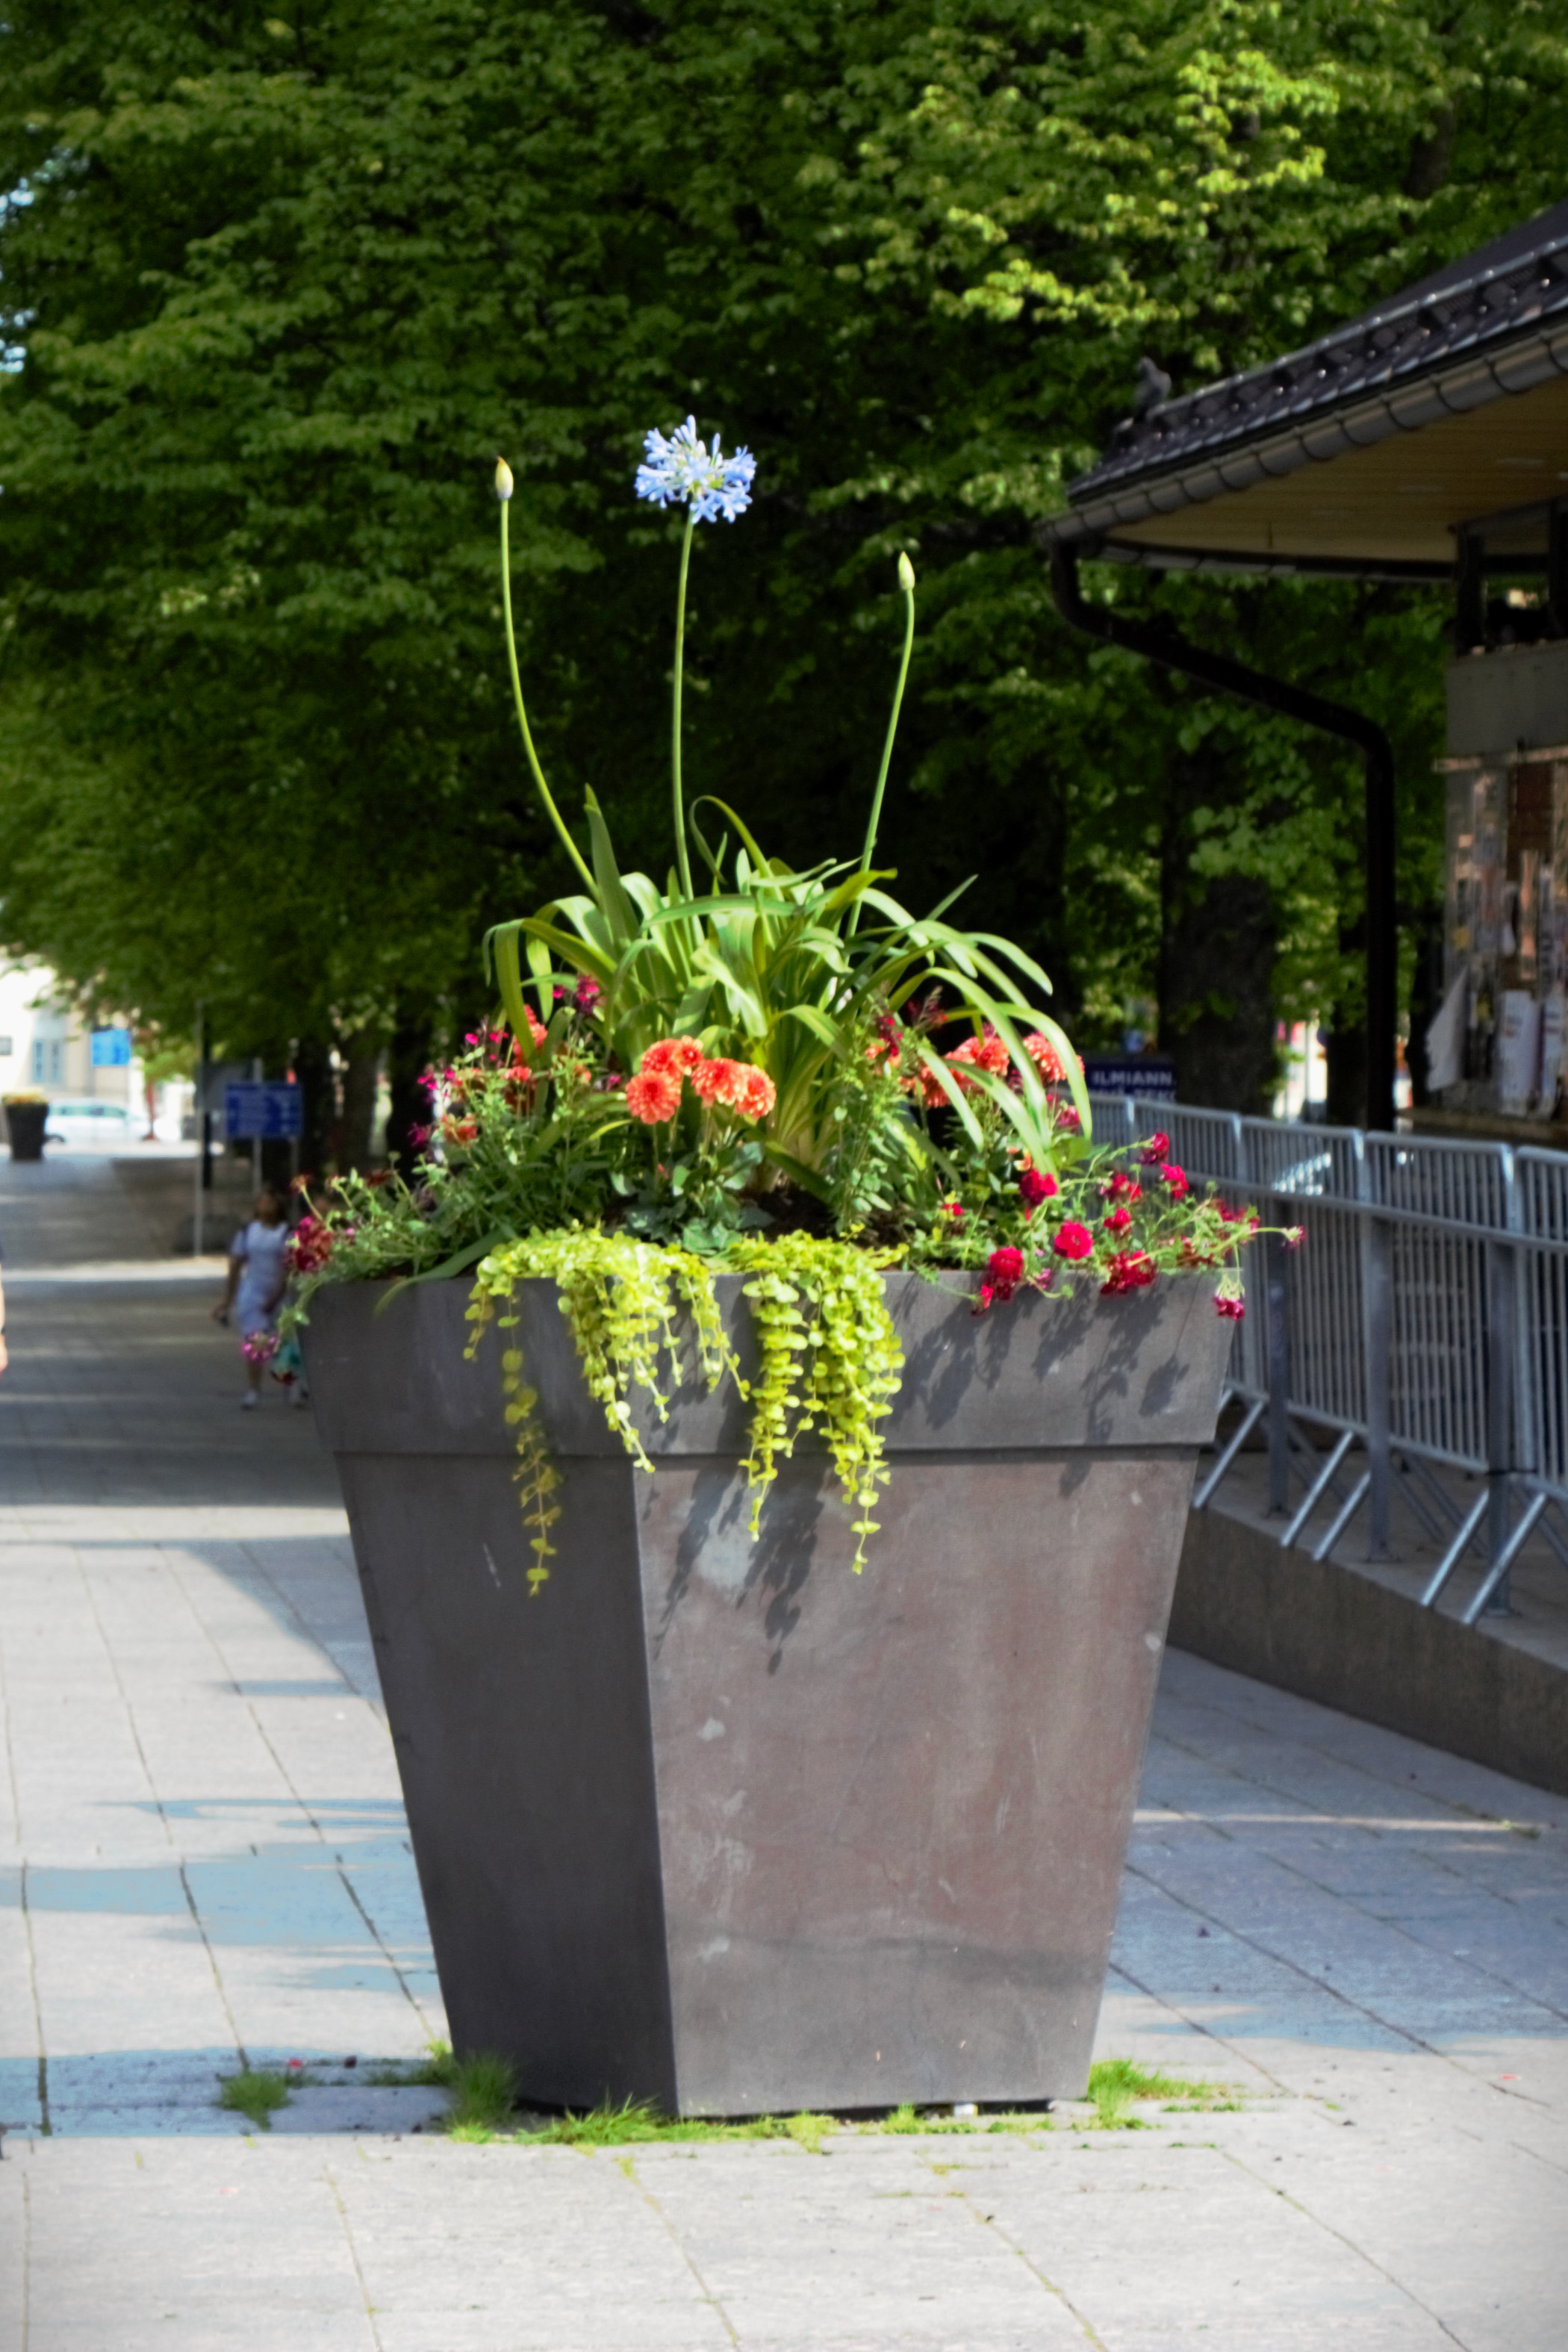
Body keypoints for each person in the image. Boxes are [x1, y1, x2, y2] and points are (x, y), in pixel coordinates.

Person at [213, 1187, 291, 1408]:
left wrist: (277, 1295)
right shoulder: (248, 1231)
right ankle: (253, 1389)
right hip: (252, 1293)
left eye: (270, 1202)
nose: (265, 1206)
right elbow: (236, 1266)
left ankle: (290, 1385)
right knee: (255, 1340)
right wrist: (226, 1300)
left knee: (283, 1342)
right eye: (261, 1202)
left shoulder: (287, 1233)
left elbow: (290, 1268)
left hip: (279, 1293)